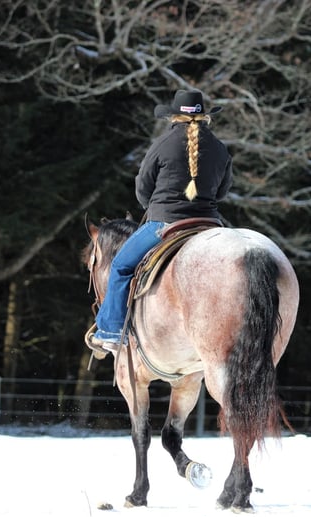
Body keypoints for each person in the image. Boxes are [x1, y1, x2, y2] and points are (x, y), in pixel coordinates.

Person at [87, 89, 233, 354]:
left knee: (120, 266)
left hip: (165, 223)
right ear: (205, 118)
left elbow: (143, 188)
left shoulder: (163, 144)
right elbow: (222, 192)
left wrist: (152, 206)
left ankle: (110, 331)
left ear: (174, 117)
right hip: (210, 223)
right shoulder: (220, 149)